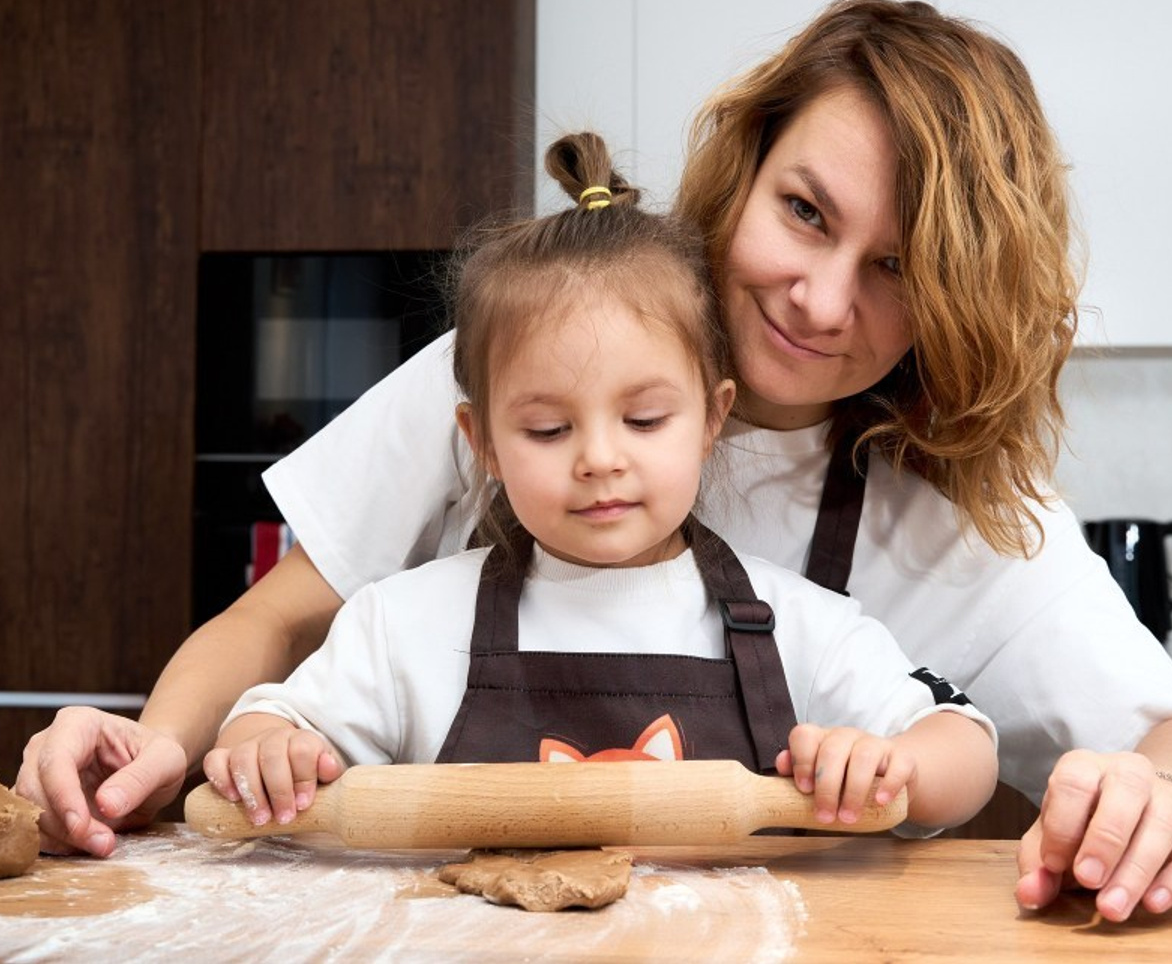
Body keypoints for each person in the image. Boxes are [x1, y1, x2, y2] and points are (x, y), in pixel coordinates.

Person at [18, 0, 1172, 924]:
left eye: (895, 268)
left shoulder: (957, 507)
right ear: (747, 166)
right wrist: (160, 746)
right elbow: (282, 621)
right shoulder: (531, 361)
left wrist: (1171, 805)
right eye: (805, 211)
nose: (820, 299)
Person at [202, 133, 998, 837]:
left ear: (712, 418)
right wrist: (267, 750)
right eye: (548, 430)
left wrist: (896, 768)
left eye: (646, 420)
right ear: (482, 443)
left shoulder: (797, 626)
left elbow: (964, 746)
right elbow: (266, 723)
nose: (599, 460)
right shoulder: (403, 625)